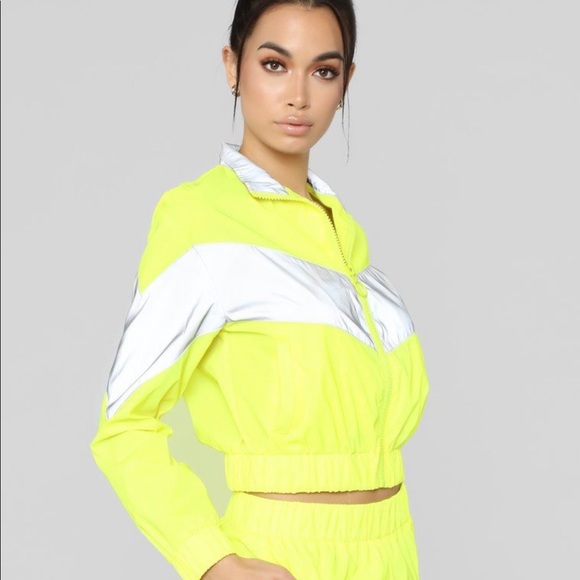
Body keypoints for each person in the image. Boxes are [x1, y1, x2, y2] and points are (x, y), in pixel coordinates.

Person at [90, 1, 430, 578]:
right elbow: (125, 426)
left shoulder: (345, 236)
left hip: (393, 547)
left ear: (346, 81)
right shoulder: (200, 218)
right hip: (283, 553)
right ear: (233, 66)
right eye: (275, 65)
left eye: (323, 71)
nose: (298, 95)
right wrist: (214, 562)